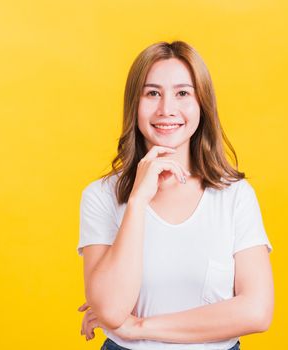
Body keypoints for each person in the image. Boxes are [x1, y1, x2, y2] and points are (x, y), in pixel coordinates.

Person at [76, 41, 274, 350]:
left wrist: (140, 326)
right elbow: (112, 310)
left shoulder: (235, 196)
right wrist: (138, 200)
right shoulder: (100, 197)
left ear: (202, 104)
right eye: (152, 93)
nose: (166, 109)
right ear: (134, 104)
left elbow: (257, 312)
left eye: (183, 93)